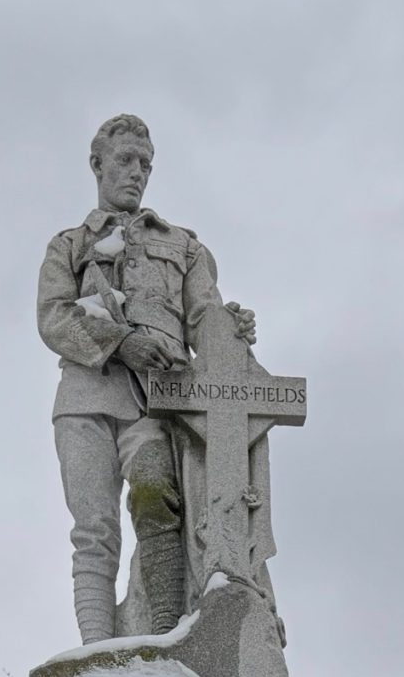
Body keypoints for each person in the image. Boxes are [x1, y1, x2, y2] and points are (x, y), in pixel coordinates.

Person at [37, 113, 253, 643]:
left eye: (146, 165)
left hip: (155, 404)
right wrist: (121, 342)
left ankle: (166, 639)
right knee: (94, 531)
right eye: (126, 161)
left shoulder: (183, 246)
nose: (137, 173)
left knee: (158, 504)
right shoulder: (67, 245)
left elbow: (204, 314)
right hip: (86, 398)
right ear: (97, 164)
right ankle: (95, 652)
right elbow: (53, 317)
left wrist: (232, 327)